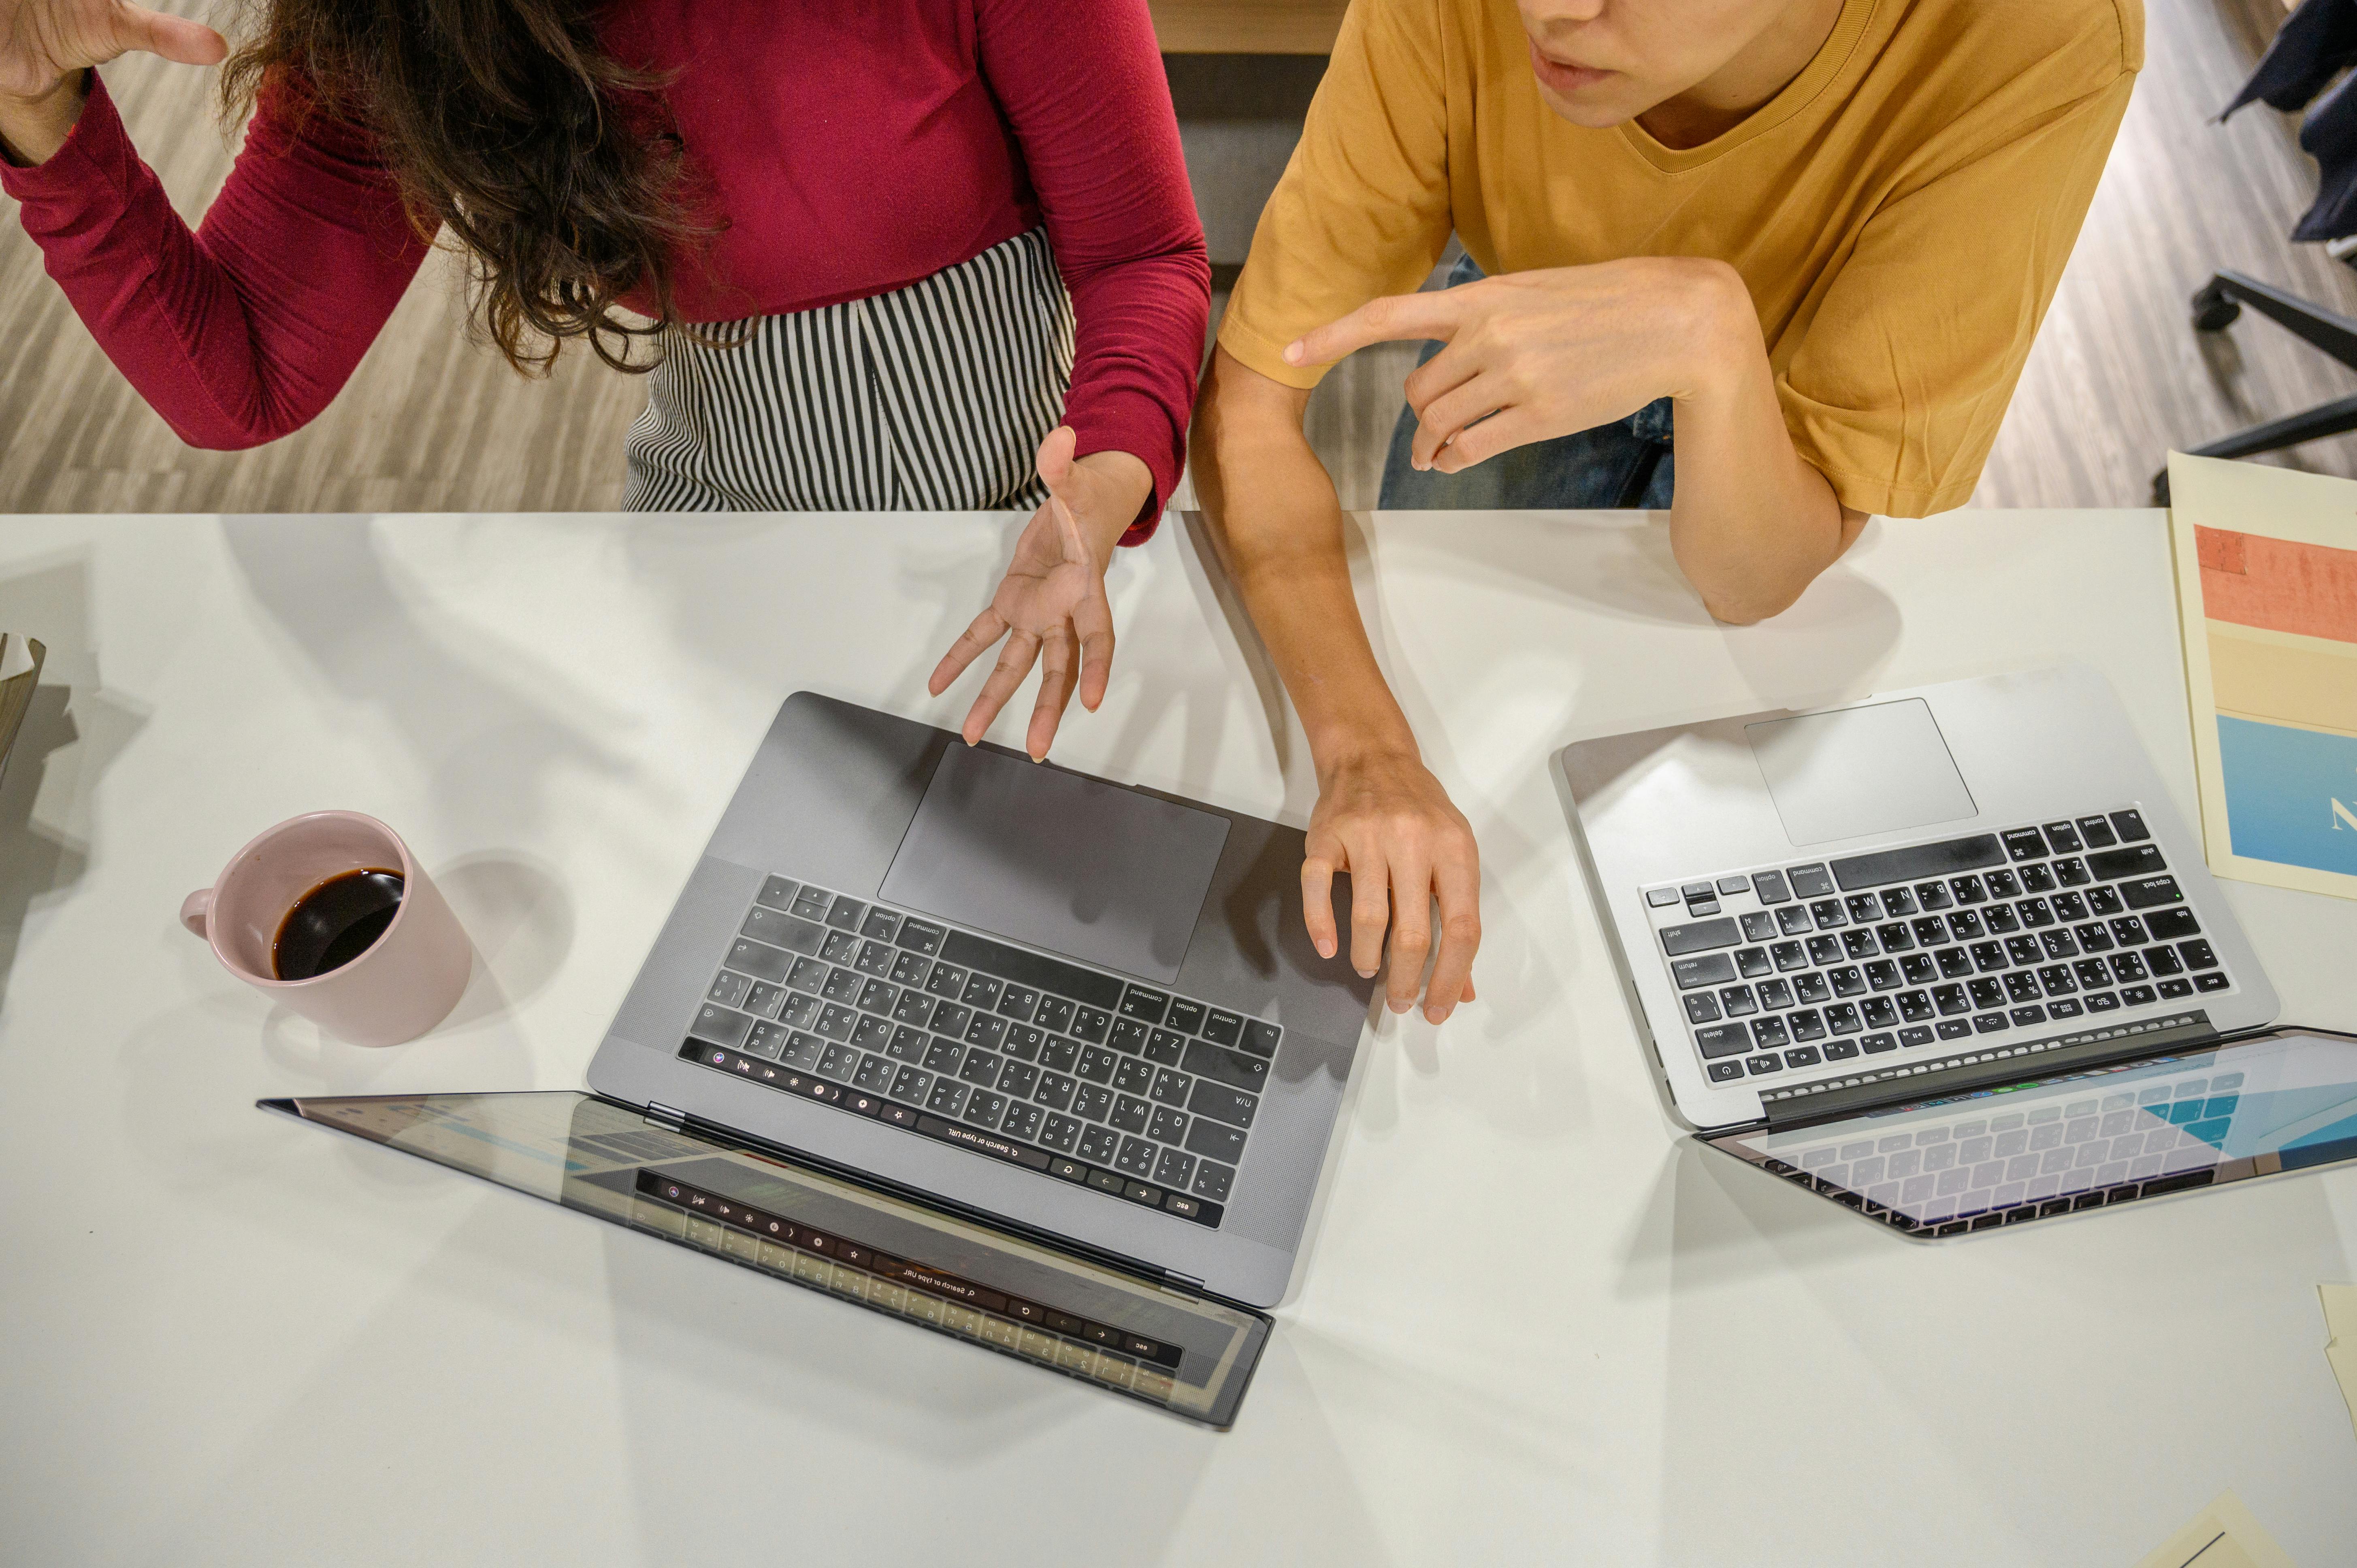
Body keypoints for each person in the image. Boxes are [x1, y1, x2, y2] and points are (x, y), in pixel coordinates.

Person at [1190, 0, 2136, 1024]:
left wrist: (1712, 335)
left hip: (1775, 413)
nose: (1548, 11)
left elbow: (1757, 578)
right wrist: (1366, 753)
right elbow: (1249, 402)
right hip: (1525, 316)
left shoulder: (2042, 36)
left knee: (1737, 936)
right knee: (1478, 870)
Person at [0, 0, 1210, 760]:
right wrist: (43, 118)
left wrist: (1107, 475)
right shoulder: (420, 26)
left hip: (1045, 529)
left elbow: (1143, 253)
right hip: (716, 534)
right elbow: (245, 375)